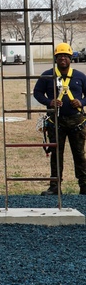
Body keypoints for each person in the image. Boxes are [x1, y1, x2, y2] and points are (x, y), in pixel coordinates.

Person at [33, 44, 86, 195]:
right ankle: (55, 186)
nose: (63, 59)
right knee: (56, 155)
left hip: (77, 121)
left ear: (70, 58)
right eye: (59, 56)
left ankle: (84, 185)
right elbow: (37, 93)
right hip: (55, 121)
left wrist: (81, 102)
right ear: (55, 59)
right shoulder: (47, 76)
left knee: (80, 154)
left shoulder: (80, 76)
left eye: (66, 56)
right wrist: (49, 102)